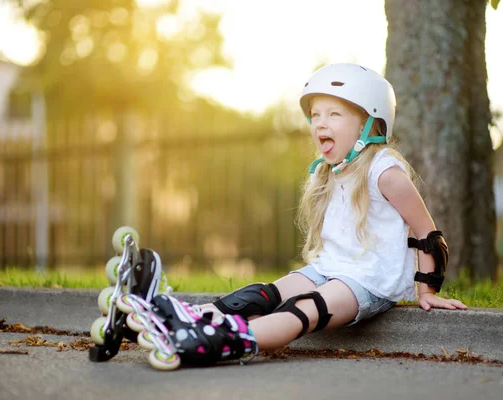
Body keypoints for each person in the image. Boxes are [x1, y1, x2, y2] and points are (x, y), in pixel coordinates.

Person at [126, 63, 467, 369]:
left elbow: (428, 235)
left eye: (334, 114)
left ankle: (221, 340)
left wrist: (426, 291)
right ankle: (179, 317)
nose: (321, 123)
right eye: (316, 115)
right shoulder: (331, 171)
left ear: (368, 122)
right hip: (329, 267)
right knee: (261, 295)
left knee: (305, 309)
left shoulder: (384, 171)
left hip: (369, 281)